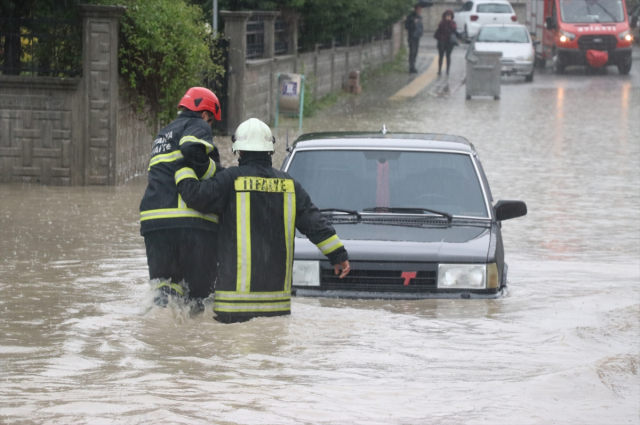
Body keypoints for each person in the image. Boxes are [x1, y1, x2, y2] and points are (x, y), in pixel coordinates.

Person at [174, 118, 351, 324]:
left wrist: (182, 168)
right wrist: (338, 254)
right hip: (276, 307)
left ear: (239, 151)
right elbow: (315, 223)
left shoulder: (230, 180)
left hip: (233, 306)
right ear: (270, 150)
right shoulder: (290, 185)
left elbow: (196, 197)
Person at [139, 87, 223, 309]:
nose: (209, 126)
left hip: (154, 226)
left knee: (164, 291)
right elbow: (192, 149)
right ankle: (192, 341)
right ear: (205, 114)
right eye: (211, 121)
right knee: (198, 296)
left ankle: (161, 336)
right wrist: (216, 173)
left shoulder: (163, 133)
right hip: (188, 223)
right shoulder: (197, 125)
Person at [434, 10, 457, 75]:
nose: (448, 17)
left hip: (449, 42)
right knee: (441, 56)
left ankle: (447, 70)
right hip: (441, 41)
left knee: (448, 56)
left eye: (449, 15)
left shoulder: (453, 23)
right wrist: (446, 22)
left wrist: (449, 22)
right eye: (447, 15)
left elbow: (453, 30)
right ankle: (439, 70)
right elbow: (441, 28)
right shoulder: (442, 22)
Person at [405, 3, 424, 73]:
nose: (419, 11)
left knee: (415, 52)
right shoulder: (410, 17)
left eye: (420, 9)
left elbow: (421, 27)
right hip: (411, 36)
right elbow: (406, 26)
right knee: (412, 51)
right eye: (418, 9)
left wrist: (421, 33)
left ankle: (414, 66)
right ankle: (411, 67)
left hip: (417, 37)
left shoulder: (420, 17)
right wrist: (413, 23)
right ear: (415, 9)